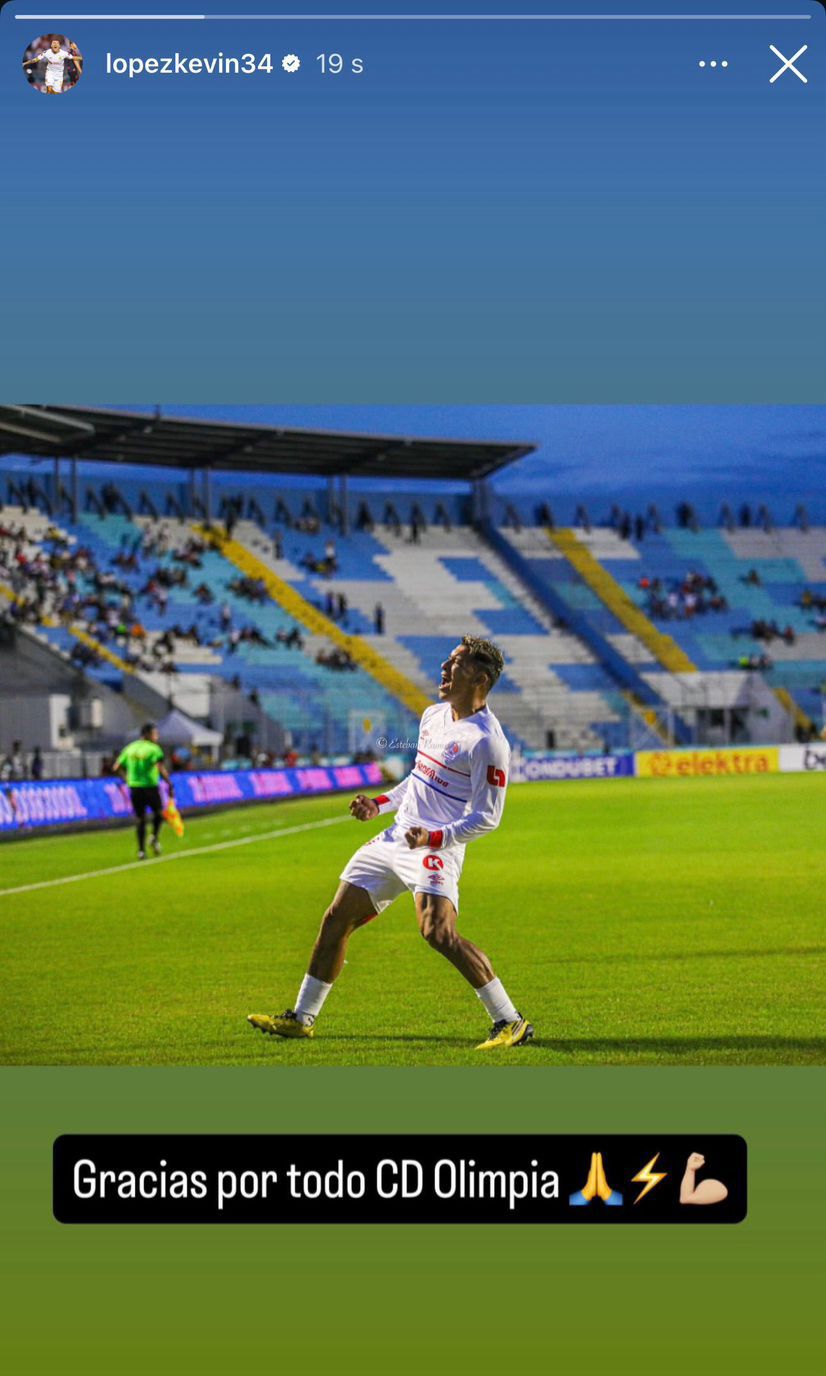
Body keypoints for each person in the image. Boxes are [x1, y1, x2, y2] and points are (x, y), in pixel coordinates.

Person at [248, 635, 533, 1051]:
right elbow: (418, 779)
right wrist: (378, 804)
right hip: (396, 837)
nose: (444, 668)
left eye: (456, 663)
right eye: (448, 660)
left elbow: (488, 817)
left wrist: (434, 836)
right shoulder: (433, 715)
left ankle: (510, 1021)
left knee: (438, 933)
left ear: (481, 679)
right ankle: (301, 1018)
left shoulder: (488, 741)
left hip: (436, 847)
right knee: (335, 918)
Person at [114, 723, 175, 860]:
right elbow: (160, 767)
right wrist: (169, 783)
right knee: (159, 814)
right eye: (155, 734)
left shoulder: (130, 748)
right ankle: (154, 837)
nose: (157, 737)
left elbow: (116, 767)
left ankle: (141, 850)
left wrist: (126, 780)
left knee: (140, 818)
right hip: (150, 786)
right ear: (148, 734)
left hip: (135, 788)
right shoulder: (154, 749)